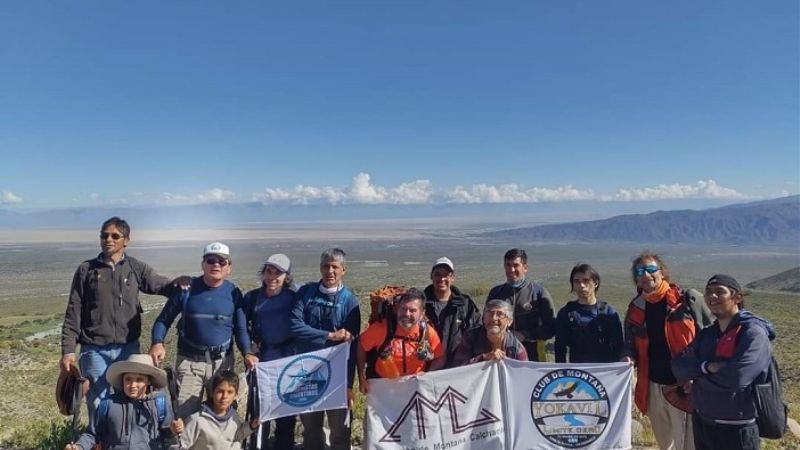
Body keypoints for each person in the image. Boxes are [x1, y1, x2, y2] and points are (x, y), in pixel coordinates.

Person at [60, 216, 184, 419]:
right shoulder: (86, 270)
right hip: (94, 348)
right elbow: (73, 311)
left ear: (126, 240)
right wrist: (68, 351)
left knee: (128, 399)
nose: (108, 239)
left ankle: (126, 436)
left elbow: (161, 285)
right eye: (104, 236)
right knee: (98, 403)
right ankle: (100, 437)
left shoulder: (135, 268)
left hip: (128, 347)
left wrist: (183, 284)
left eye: (115, 236)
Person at [149, 242, 255, 419]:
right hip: (190, 362)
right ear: (203, 264)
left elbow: (241, 329)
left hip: (222, 363)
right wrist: (157, 342)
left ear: (229, 267)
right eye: (210, 260)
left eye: (222, 261)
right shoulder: (186, 290)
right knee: (186, 416)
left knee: (222, 416)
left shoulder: (234, 293)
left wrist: (247, 352)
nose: (216, 265)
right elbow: (163, 320)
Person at [622, 251, 712, 450]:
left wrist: (699, 374)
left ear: (662, 272)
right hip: (652, 385)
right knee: (665, 444)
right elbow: (629, 344)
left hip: (683, 385)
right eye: (640, 271)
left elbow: (711, 338)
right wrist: (628, 357)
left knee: (687, 443)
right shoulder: (636, 308)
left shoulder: (685, 301)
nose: (646, 275)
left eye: (651, 269)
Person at [672, 274, 774, 450]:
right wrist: (707, 367)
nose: (712, 296)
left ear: (737, 297)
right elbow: (678, 367)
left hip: (737, 428)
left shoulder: (753, 333)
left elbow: (737, 378)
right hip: (703, 422)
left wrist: (698, 376)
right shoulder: (707, 334)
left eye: (720, 292)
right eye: (708, 292)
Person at [290, 248, 360, 450]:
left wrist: (349, 385)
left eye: (335, 267)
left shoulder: (349, 300)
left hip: (337, 376)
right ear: (320, 268)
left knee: (339, 431)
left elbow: (352, 345)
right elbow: (295, 326)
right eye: (326, 266)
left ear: (344, 270)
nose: (330, 271)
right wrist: (329, 335)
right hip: (307, 373)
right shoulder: (306, 293)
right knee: (311, 429)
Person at [243, 253, 297, 450]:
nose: (272, 277)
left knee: (286, 414)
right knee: (259, 413)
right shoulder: (252, 298)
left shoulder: (294, 297)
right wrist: (248, 350)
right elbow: (241, 327)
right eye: (269, 271)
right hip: (261, 362)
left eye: (278, 273)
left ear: (286, 277)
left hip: (287, 361)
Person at [64, 353, 173, 450]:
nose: (133, 385)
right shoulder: (108, 404)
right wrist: (79, 446)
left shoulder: (159, 404)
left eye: (139, 380)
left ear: (148, 381)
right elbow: (92, 434)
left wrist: (175, 430)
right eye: (128, 379)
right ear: (122, 380)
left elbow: (168, 435)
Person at [357, 288, 445, 391]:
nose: (407, 314)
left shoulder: (427, 332)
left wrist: (427, 375)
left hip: (415, 386)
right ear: (397, 309)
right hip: (384, 387)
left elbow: (439, 357)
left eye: (412, 310)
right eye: (403, 309)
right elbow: (361, 345)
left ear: (422, 314)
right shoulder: (381, 329)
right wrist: (361, 376)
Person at [486, 248, 556, 361]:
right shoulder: (496, 293)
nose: (511, 269)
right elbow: (486, 322)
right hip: (501, 356)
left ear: (525, 268)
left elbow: (551, 328)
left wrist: (525, 335)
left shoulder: (538, 293)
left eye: (516, 265)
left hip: (532, 356)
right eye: (508, 265)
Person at [171, 369, 259, 450]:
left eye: (230, 392)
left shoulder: (233, 416)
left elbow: (237, 436)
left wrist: (250, 426)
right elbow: (181, 445)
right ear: (212, 393)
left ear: (235, 395)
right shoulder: (197, 420)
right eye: (220, 391)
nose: (225, 396)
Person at [554, 263, 623, 363]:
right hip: (578, 370)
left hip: (605, 369)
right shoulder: (566, 313)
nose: (581, 285)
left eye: (586, 281)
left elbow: (619, 347)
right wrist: (562, 370)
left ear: (596, 283)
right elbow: (560, 348)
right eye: (576, 281)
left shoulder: (608, 313)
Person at [423, 257, 481, 368]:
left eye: (446, 275)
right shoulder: (421, 304)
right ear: (431, 276)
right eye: (437, 274)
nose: (442, 278)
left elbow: (477, 333)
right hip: (427, 368)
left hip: (457, 367)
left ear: (452, 278)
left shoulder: (465, 304)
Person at [452, 299, 528, 366]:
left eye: (500, 314)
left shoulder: (516, 348)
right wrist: (484, 358)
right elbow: (458, 367)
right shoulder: (471, 337)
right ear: (483, 319)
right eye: (490, 313)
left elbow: (523, 373)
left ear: (509, 321)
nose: (494, 318)